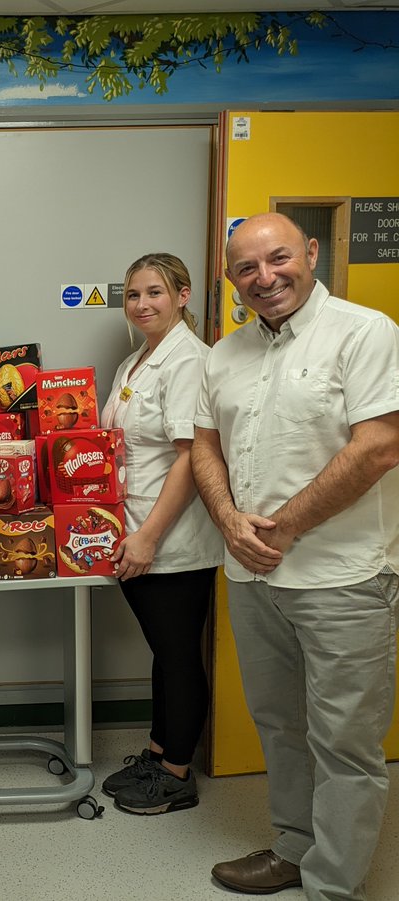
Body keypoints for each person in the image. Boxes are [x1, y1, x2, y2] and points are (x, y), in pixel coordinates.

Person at [192, 212, 399, 900]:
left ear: (311, 252)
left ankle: (332, 886)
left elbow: (378, 446)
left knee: (345, 742)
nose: (265, 277)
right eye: (247, 268)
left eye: (278, 258)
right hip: (252, 578)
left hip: (344, 578)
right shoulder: (223, 355)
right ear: (231, 278)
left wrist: (282, 528)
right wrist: (226, 517)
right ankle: (294, 845)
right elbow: (204, 447)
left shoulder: (364, 332)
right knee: (280, 724)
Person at [97, 253, 223, 815]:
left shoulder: (188, 362)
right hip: (132, 530)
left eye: (154, 292)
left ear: (182, 295)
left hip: (170, 540)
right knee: (162, 651)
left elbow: (192, 458)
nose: (142, 304)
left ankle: (177, 775)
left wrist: (147, 537)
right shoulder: (136, 362)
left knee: (177, 653)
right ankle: (158, 750)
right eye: (132, 295)